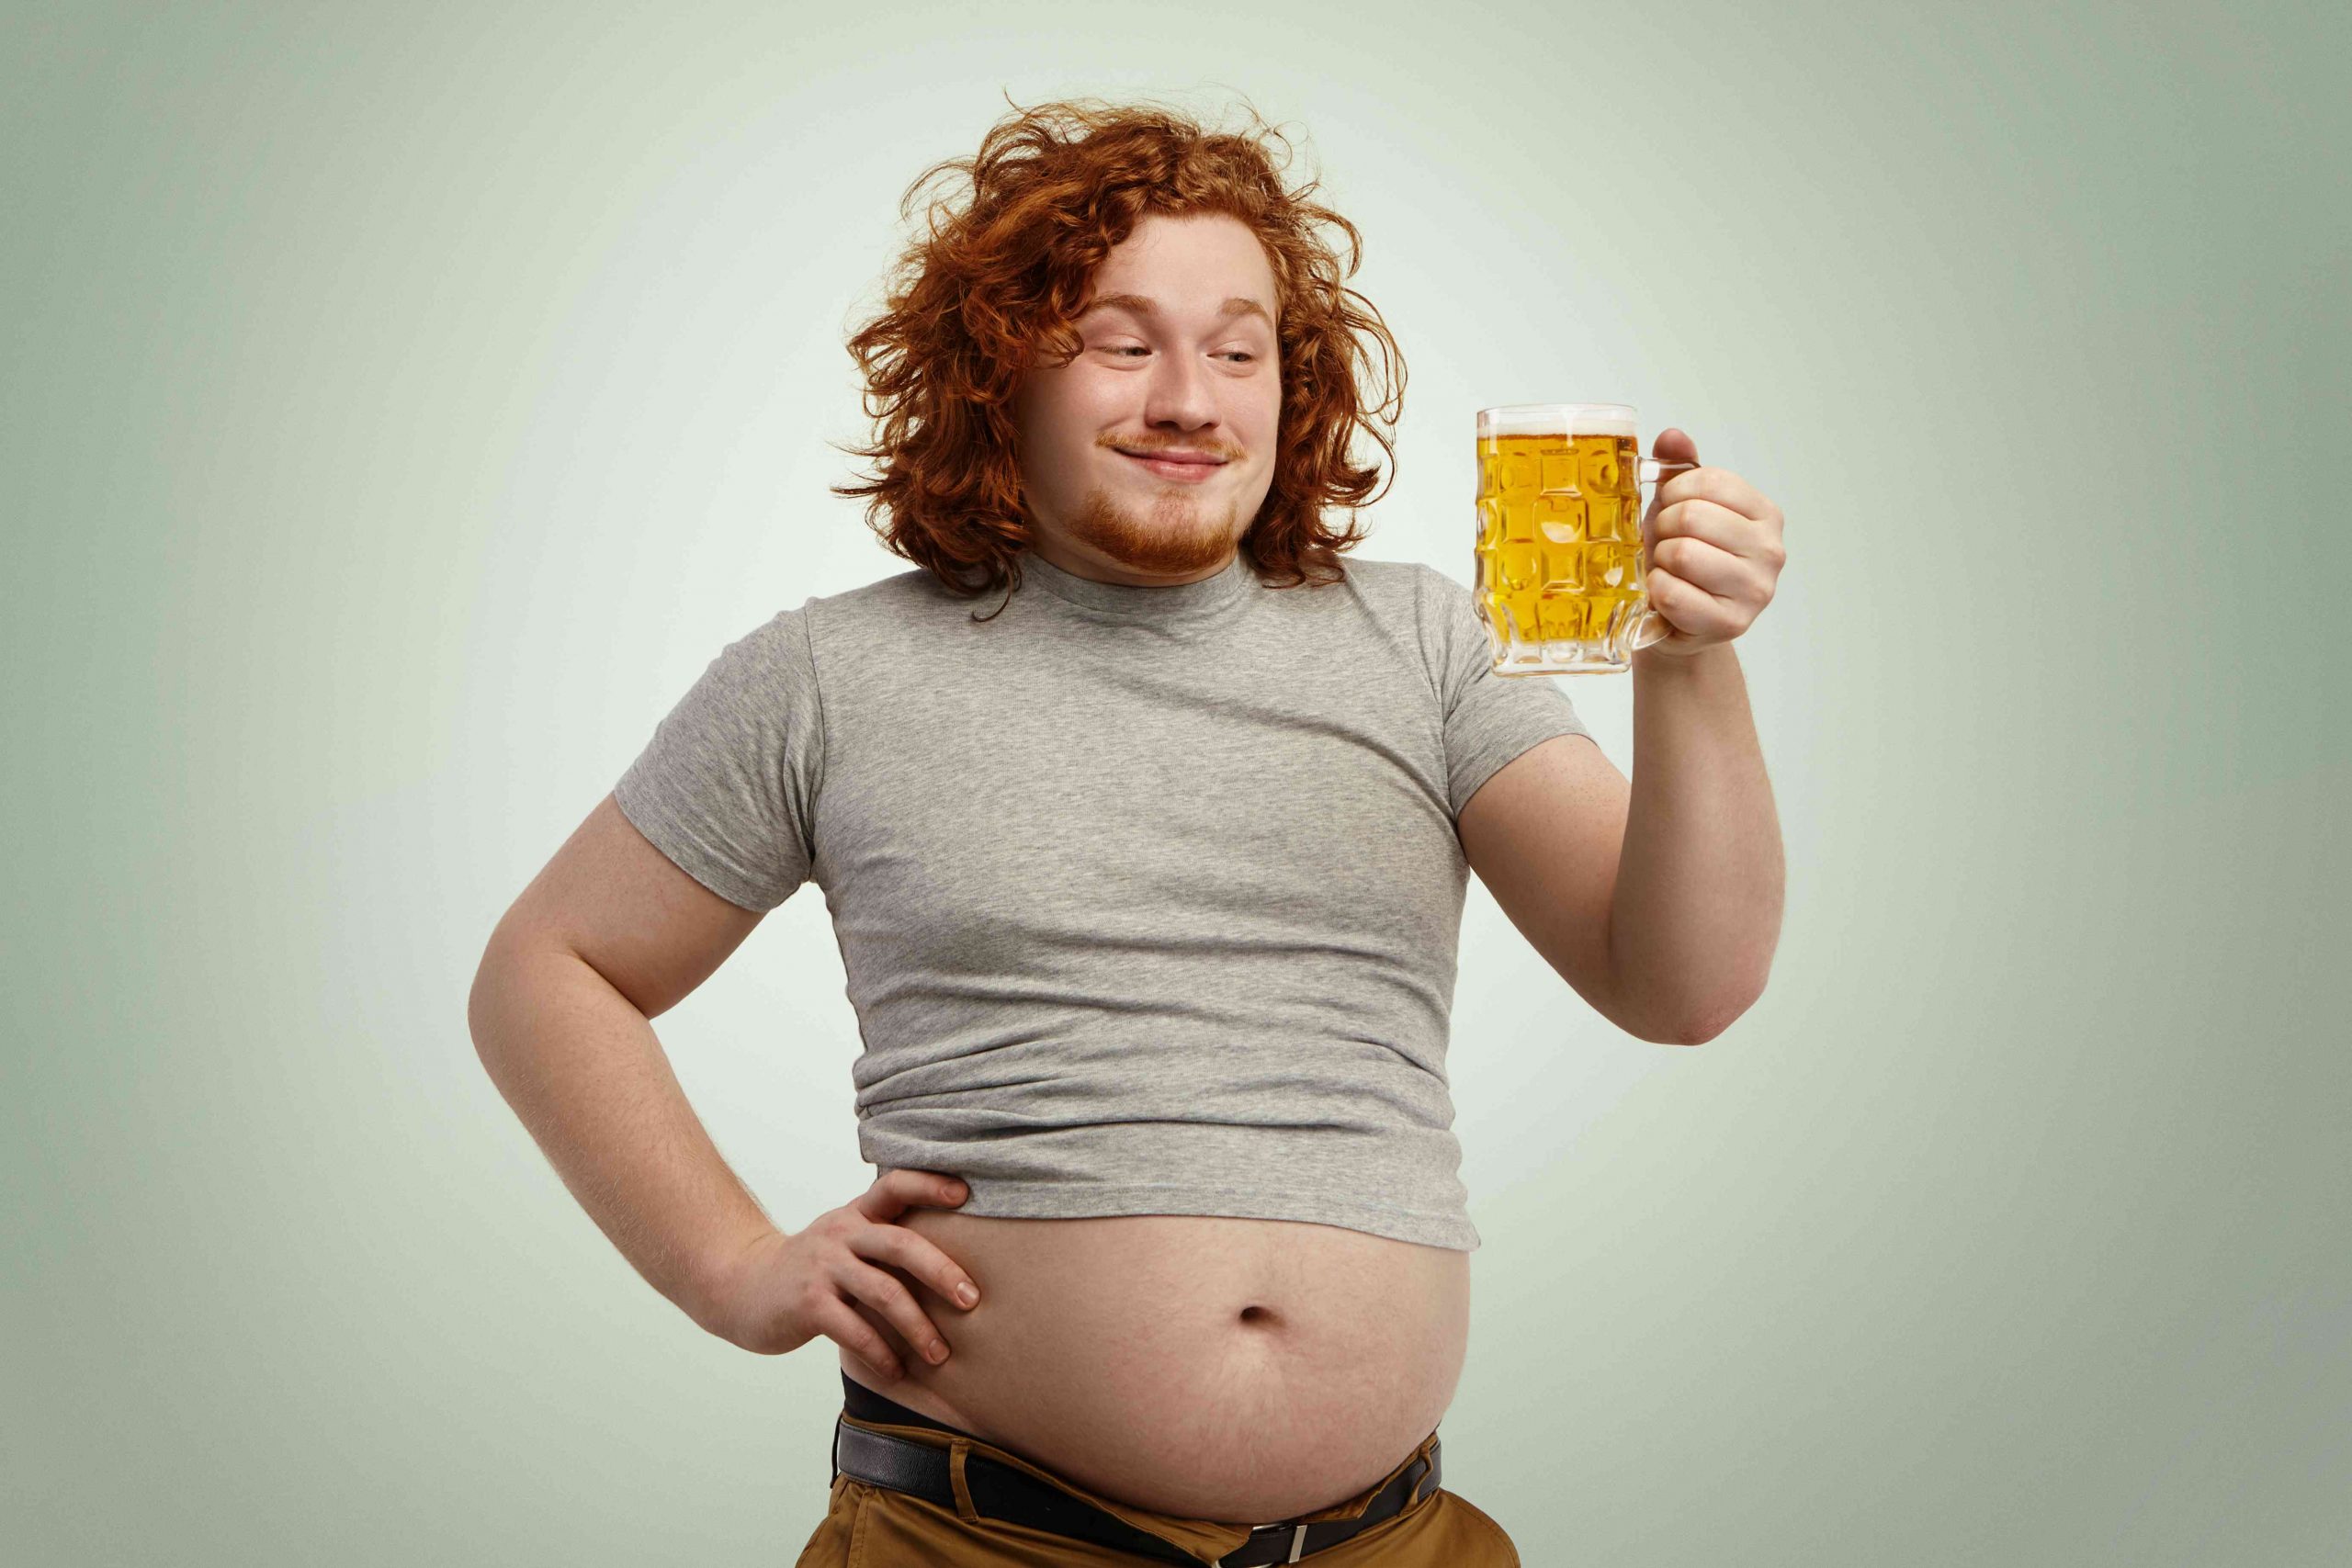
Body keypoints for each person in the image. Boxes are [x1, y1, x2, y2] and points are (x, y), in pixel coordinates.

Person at [468, 94, 1787, 1566]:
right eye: (1119, 340)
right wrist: (732, 1271)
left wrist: (1690, 664)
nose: (1189, 397)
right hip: (978, 1544)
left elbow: (1684, 983)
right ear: (999, 376)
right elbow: (548, 970)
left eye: (1239, 348)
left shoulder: (1423, 644)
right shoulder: (827, 677)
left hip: (1391, 1543)